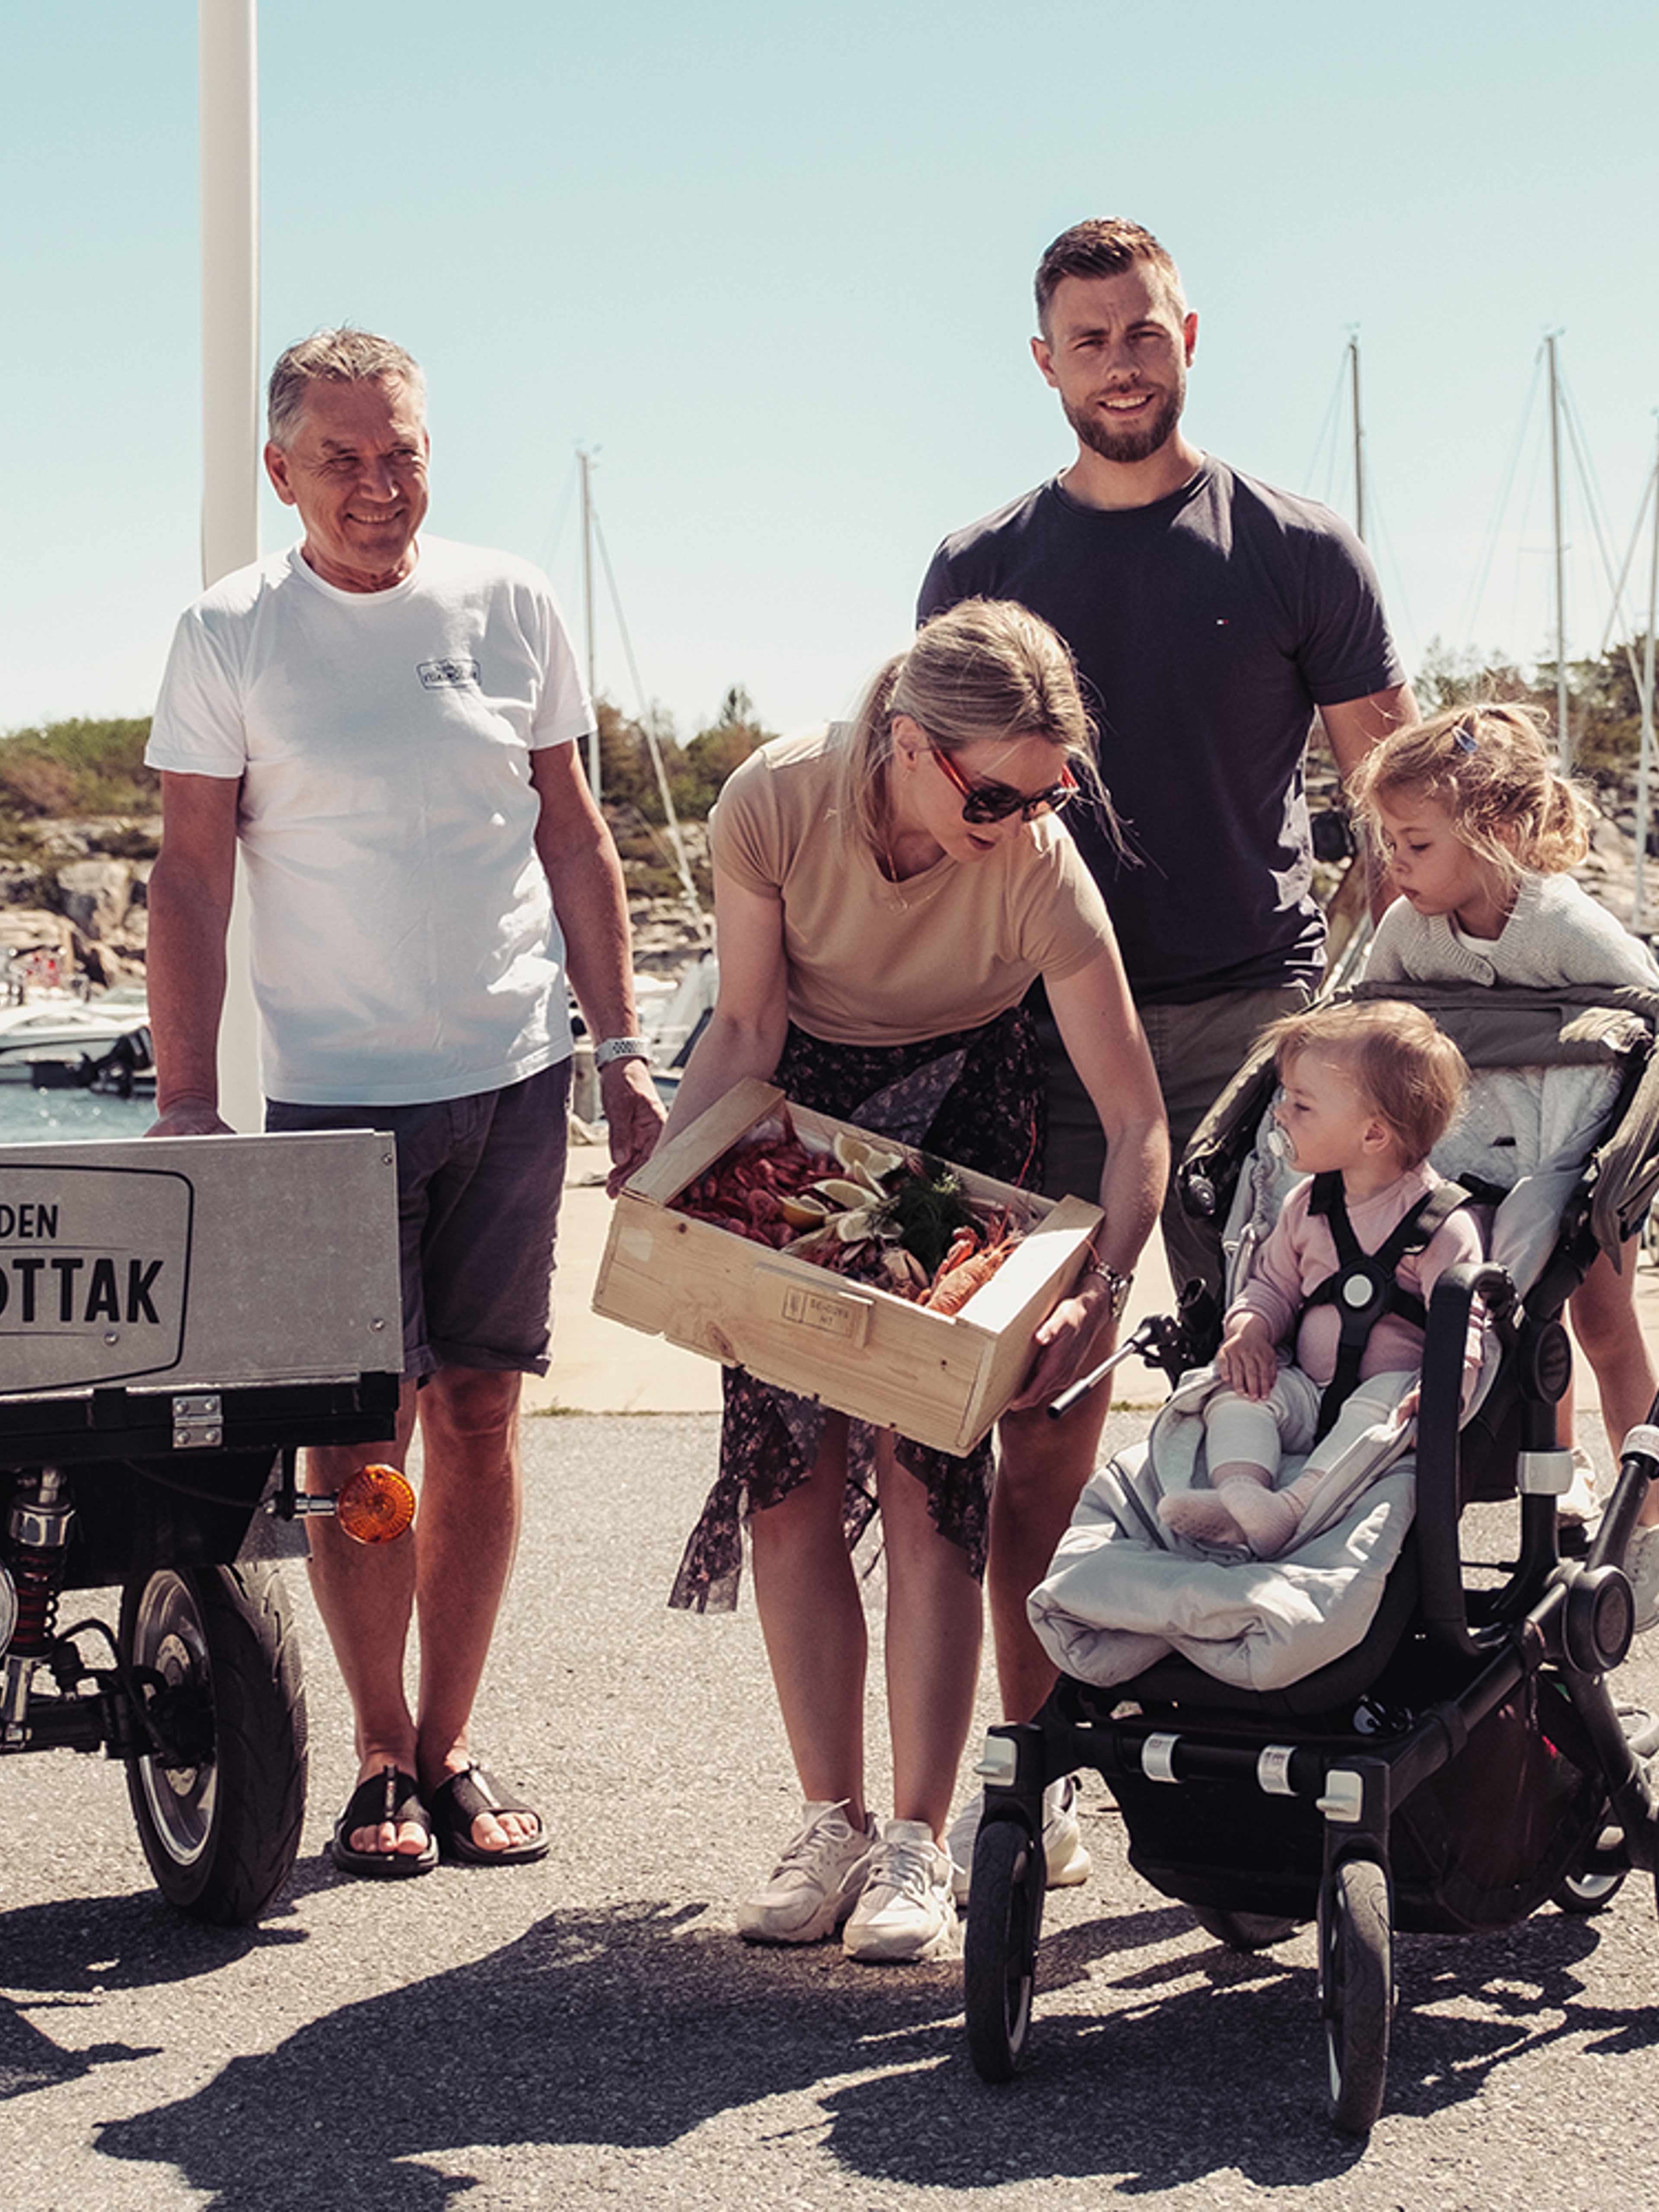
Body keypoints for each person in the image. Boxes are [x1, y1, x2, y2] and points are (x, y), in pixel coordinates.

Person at [918, 216, 1419, 1864]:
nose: (1122, 360)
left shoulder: (1294, 548)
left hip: (1259, 1024)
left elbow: (1387, 794)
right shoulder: (982, 563)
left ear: (1189, 334)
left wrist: (1373, 1000)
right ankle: (1044, 1765)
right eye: (1089, 336)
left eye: (1145, 330)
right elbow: (931, 799)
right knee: (1044, 1397)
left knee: (1284, 1383)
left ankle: (1279, 1737)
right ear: (1043, 358)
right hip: (1042, 1020)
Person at [143, 327, 664, 1878]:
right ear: (281, 469)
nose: (382, 487)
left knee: (488, 1413)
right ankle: (374, 1747)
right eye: (346, 459)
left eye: (407, 452)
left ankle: (449, 1742)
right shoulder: (232, 632)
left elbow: (573, 837)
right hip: (329, 1102)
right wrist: (184, 1100)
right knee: (360, 1434)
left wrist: (623, 1046)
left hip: (510, 1079)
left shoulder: (510, 603)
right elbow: (187, 871)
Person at [660, 599, 1166, 1963]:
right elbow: (748, 1021)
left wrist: (1100, 1292)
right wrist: (666, 1169)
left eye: (1048, 785)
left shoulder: (1038, 869)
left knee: (924, 1466)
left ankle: (917, 1839)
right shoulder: (773, 798)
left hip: (959, 1123)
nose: (1023, 811)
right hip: (799, 1110)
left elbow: (1132, 1122)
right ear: (903, 743)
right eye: (994, 788)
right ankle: (827, 1815)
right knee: (785, 1472)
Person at [1349, 699, 1659, 1623]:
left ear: (1502, 832)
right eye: (1388, 846)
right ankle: (1554, 1483)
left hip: (1589, 1154)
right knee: (1522, 1318)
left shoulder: (1567, 926)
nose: (1395, 868)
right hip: (1483, 1156)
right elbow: (1366, 1019)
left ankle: (1649, 1510)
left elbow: (1646, 1021)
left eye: (1414, 845)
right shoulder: (1410, 928)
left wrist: (1613, 1168)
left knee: (1598, 1320)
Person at [1159, 1001, 1481, 1557]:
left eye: (1301, 1104)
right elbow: (1272, 1287)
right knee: (1236, 1393)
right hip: (1307, 1390)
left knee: (1381, 1408)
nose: (1280, 1114)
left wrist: (1446, 1387)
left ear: (1373, 1134)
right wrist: (1251, 1330)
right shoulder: (1306, 1206)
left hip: (1386, 1397)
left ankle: (1292, 1509)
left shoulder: (1441, 1225)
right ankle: (1242, 1493)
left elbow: (1468, 1327)